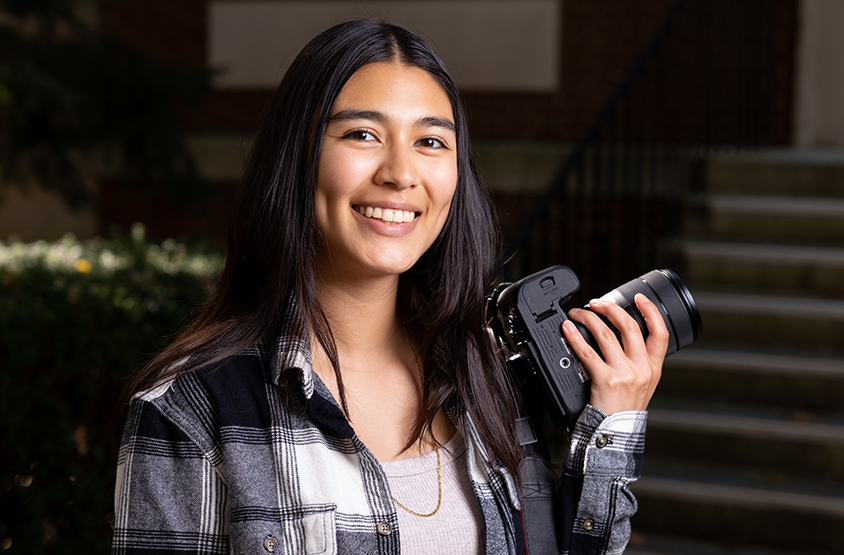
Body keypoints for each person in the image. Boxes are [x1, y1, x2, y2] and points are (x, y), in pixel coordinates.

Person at [112, 20, 668, 555]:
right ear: (298, 159)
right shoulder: (190, 408)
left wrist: (611, 426)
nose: (401, 172)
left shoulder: (485, 379)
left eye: (431, 141)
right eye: (362, 134)